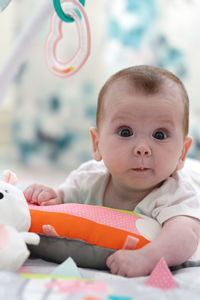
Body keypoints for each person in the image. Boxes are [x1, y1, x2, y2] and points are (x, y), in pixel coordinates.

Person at [24, 65, 200, 277]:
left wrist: (147, 258)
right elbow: (61, 201)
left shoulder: (176, 192)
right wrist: (49, 196)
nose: (142, 148)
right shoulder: (89, 178)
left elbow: (185, 234)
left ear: (182, 152)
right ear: (96, 144)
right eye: (125, 132)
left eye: (160, 135)